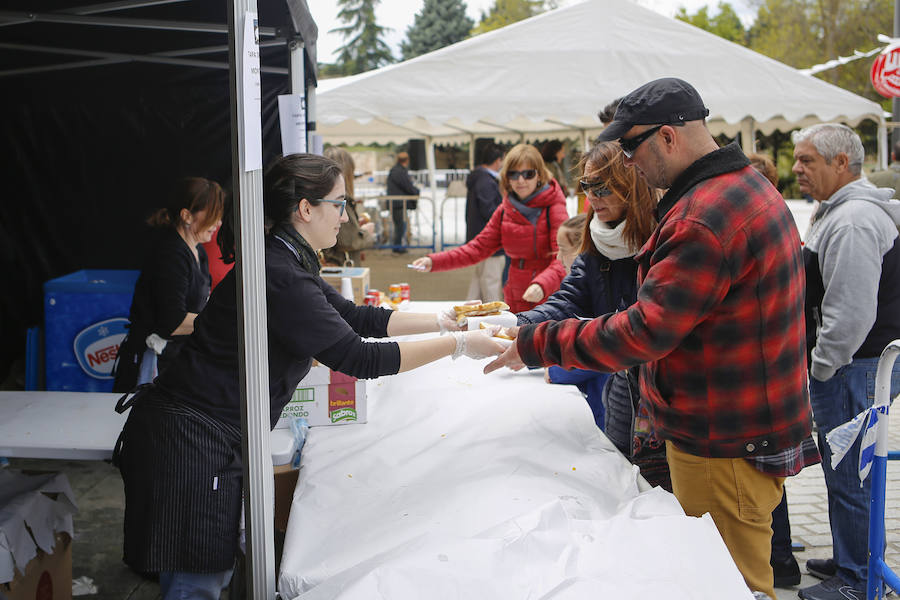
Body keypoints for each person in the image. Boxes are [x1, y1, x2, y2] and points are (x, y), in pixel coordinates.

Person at [113, 154, 505, 599]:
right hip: (193, 437)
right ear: (306, 208)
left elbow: (358, 318)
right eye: (340, 203)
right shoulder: (281, 272)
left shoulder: (286, 258)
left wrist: (446, 322)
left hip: (208, 429)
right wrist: (459, 347)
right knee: (196, 583)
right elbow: (357, 357)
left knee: (210, 573)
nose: (346, 215)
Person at [485, 77, 814, 600]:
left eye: (631, 148)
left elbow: (645, 330)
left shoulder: (704, 216)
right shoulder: (739, 186)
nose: (628, 164)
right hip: (736, 426)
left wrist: (535, 343)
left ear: (667, 137)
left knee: (727, 585)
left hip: (722, 439)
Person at [791, 123, 900, 600]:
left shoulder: (853, 219)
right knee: (846, 468)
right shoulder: (838, 211)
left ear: (841, 164)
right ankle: (851, 557)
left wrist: (820, 368)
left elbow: (850, 313)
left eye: (807, 160)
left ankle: (856, 579)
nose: (796, 168)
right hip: (856, 363)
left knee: (850, 468)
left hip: (856, 364)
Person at [517, 141, 656, 429]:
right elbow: (569, 298)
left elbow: (640, 327)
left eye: (602, 187)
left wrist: (537, 344)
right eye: (586, 186)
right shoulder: (595, 239)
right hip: (617, 383)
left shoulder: (662, 238)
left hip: (658, 387)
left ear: (630, 185)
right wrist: (516, 324)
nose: (592, 196)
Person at [748, 152, 815, 589]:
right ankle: (783, 557)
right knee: (771, 479)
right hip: (779, 377)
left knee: (767, 477)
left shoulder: (766, 228)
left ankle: (780, 560)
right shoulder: (782, 224)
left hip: (767, 380)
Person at [411, 143, 568, 313]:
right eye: (513, 174)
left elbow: (563, 258)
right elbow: (477, 249)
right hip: (516, 293)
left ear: (540, 175)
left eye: (528, 174)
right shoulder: (505, 209)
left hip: (548, 295)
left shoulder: (553, 206)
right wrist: (434, 261)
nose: (520, 180)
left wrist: (542, 284)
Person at [112, 177, 225, 393]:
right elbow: (173, 321)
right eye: (212, 215)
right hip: (153, 364)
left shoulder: (198, 250)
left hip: (179, 360)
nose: (218, 223)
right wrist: (225, 321)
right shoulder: (170, 253)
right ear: (186, 216)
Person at [320, 147, 375, 267]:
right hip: (340, 265)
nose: (343, 217)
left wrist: (355, 226)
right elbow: (348, 241)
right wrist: (366, 233)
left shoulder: (325, 197)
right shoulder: (340, 200)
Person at [464, 143, 505, 302]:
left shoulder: (479, 178)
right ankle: (493, 314)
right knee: (491, 279)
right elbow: (489, 210)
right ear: (497, 160)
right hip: (489, 239)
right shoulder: (486, 181)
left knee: (480, 277)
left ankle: (469, 310)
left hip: (479, 236)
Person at [386, 151, 420, 254]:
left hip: (398, 202)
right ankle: (397, 247)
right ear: (407, 160)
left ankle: (398, 245)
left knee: (400, 225)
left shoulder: (396, 170)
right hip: (399, 203)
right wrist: (416, 192)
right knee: (401, 225)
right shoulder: (399, 171)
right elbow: (407, 185)